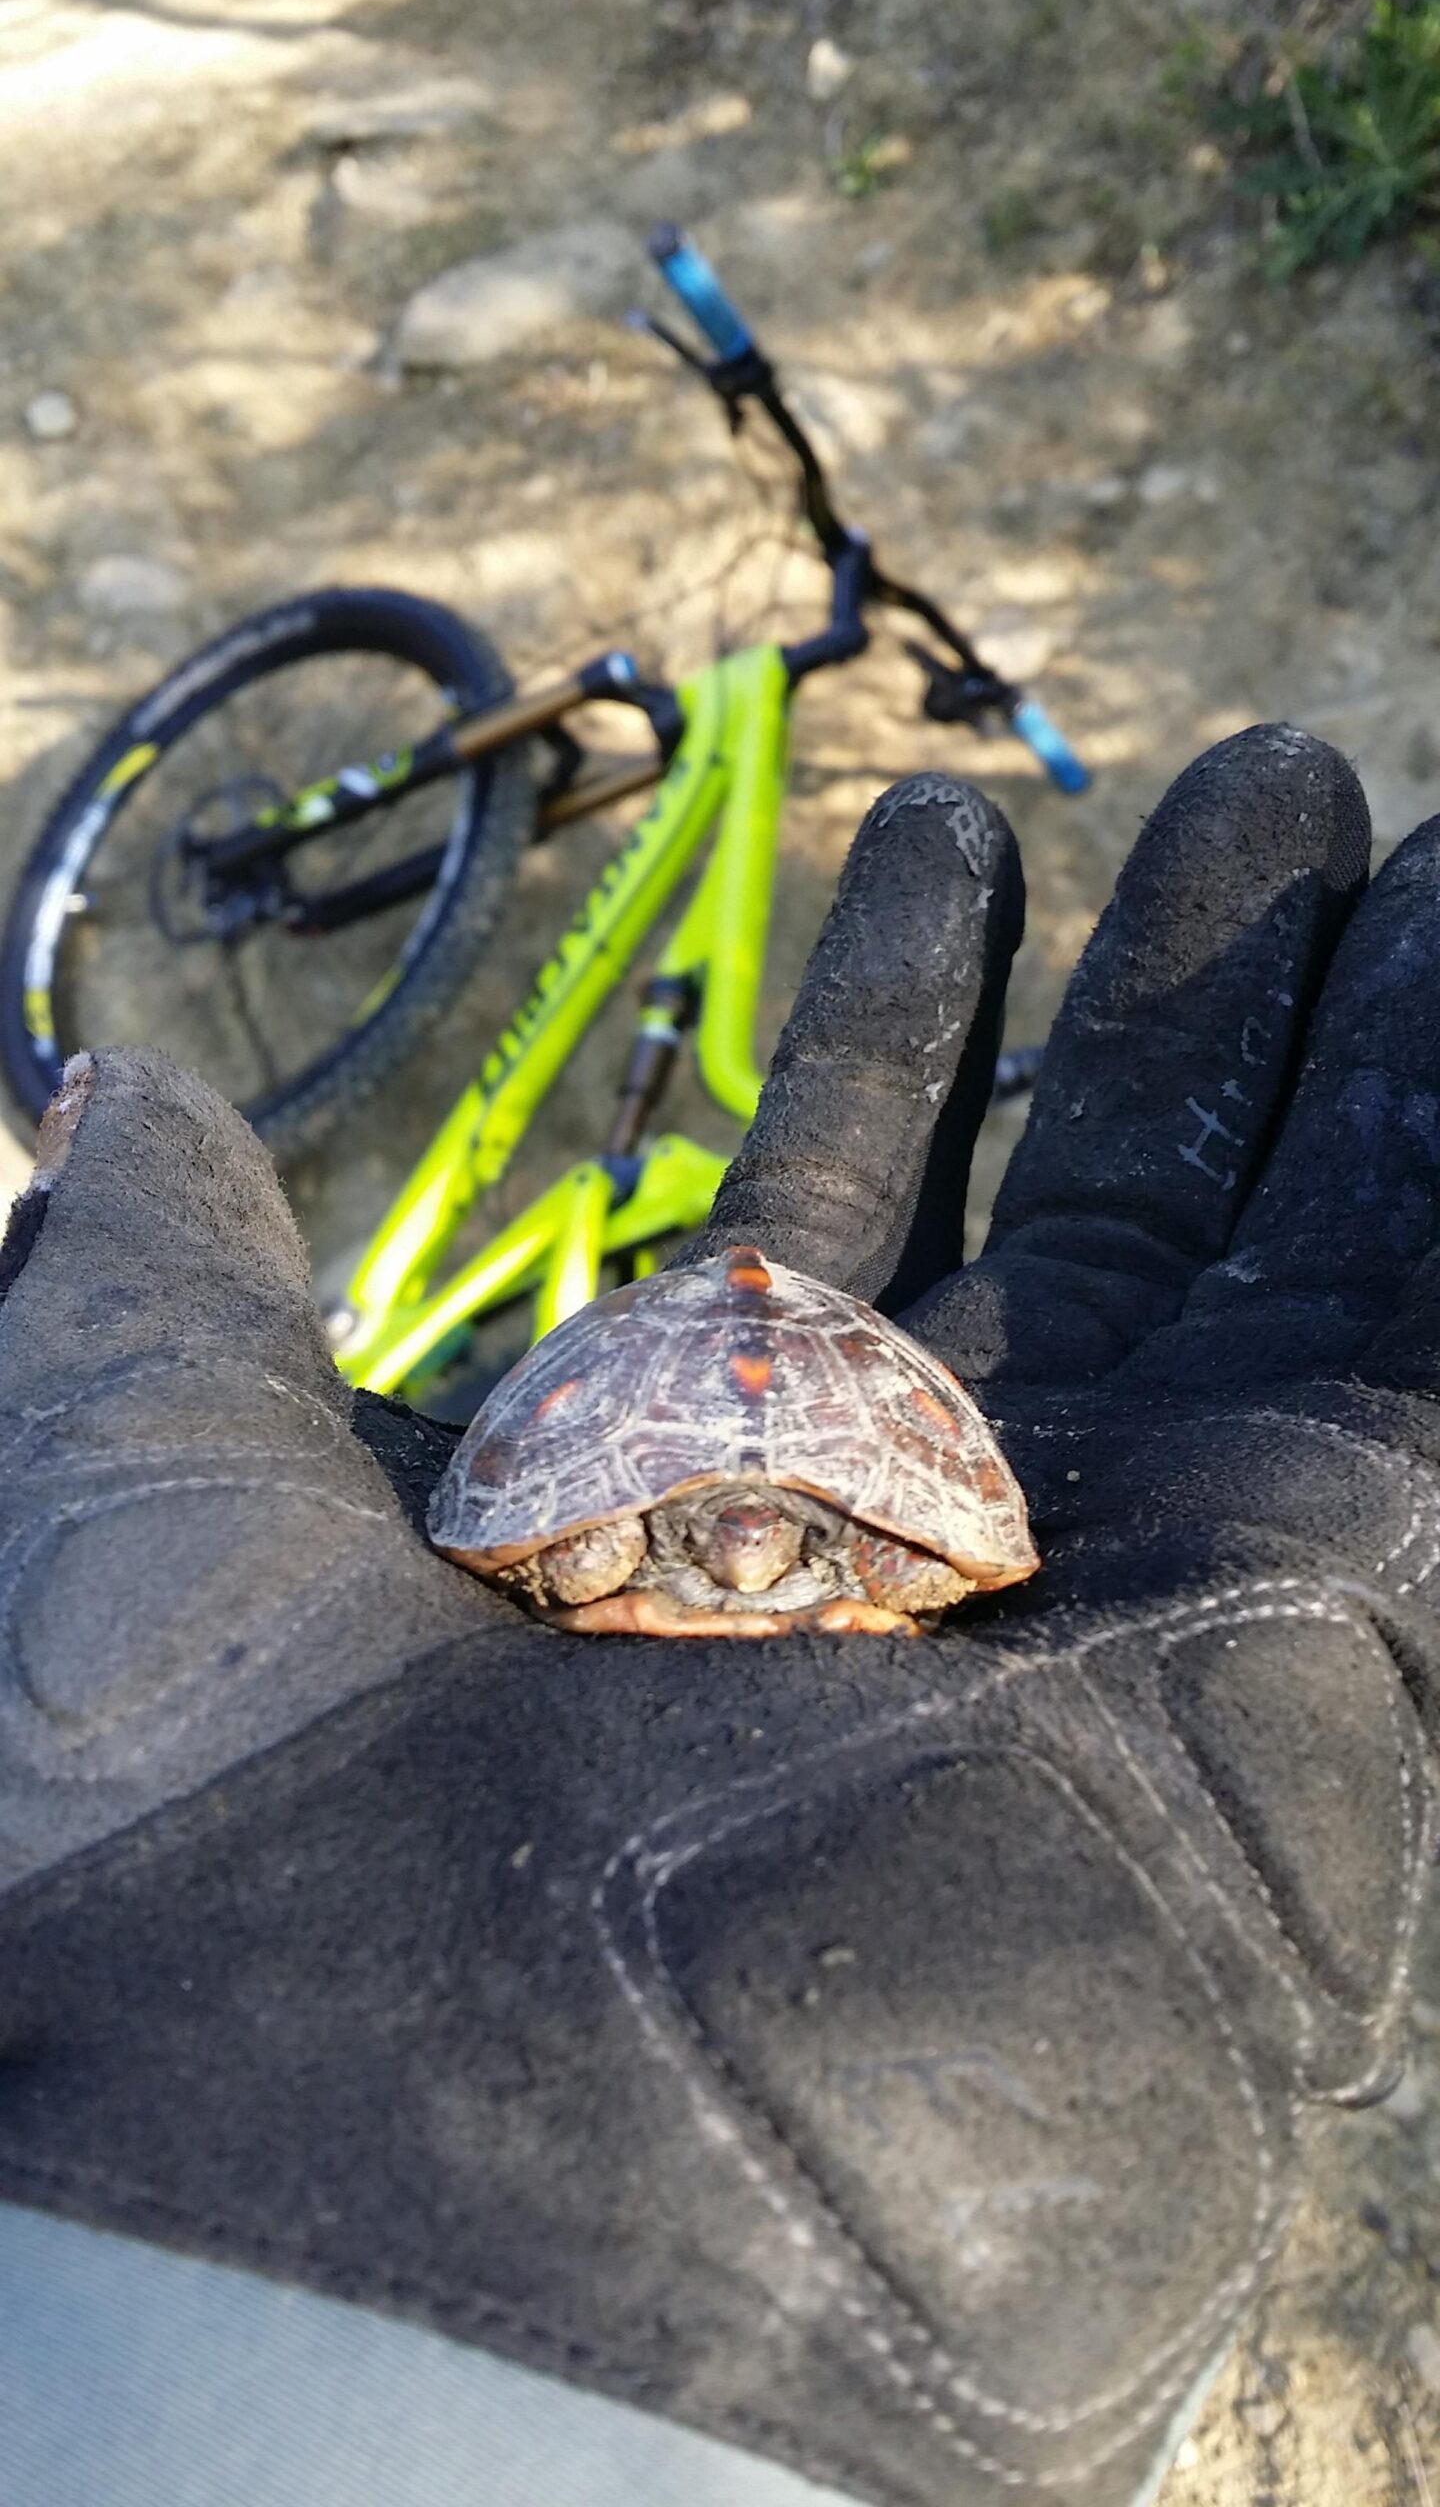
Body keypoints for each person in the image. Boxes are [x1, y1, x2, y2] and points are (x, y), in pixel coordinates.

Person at [0, 725, 1431, 2507]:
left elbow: (938, 1552)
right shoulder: (635, 1556)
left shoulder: (838, 1554)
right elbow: (571, 1546)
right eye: (722, 1540)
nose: (753, 1556)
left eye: (778, 1543)